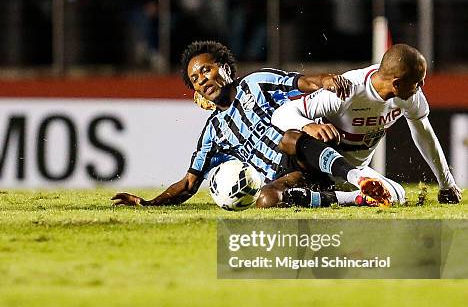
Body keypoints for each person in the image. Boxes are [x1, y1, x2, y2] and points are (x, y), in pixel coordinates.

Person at [112, 40, 392, 208]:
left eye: (206, 70)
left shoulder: (256, 83)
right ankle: (353, 199)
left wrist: (326, 79)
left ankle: (358, 177)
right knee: (266, 200)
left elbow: (301, 82)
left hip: (306, 156)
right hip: (286, 179)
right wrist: (148, 203)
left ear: (225, 68)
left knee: (289, 137)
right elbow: (188, 184)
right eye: (196, 80)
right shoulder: (213, 131)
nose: (203, 80)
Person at [271, 43, 462, 205]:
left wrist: (446, 184)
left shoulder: (410, 96)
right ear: (396, 84)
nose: (421, 87)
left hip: (358, 174)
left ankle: (317, 199)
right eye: (417, 82)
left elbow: (425, 136)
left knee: (396, 195)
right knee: (394, 195)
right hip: (322, 169)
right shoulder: (347, 90)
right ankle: (331, 195)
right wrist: (308, 125)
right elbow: (281, 113)